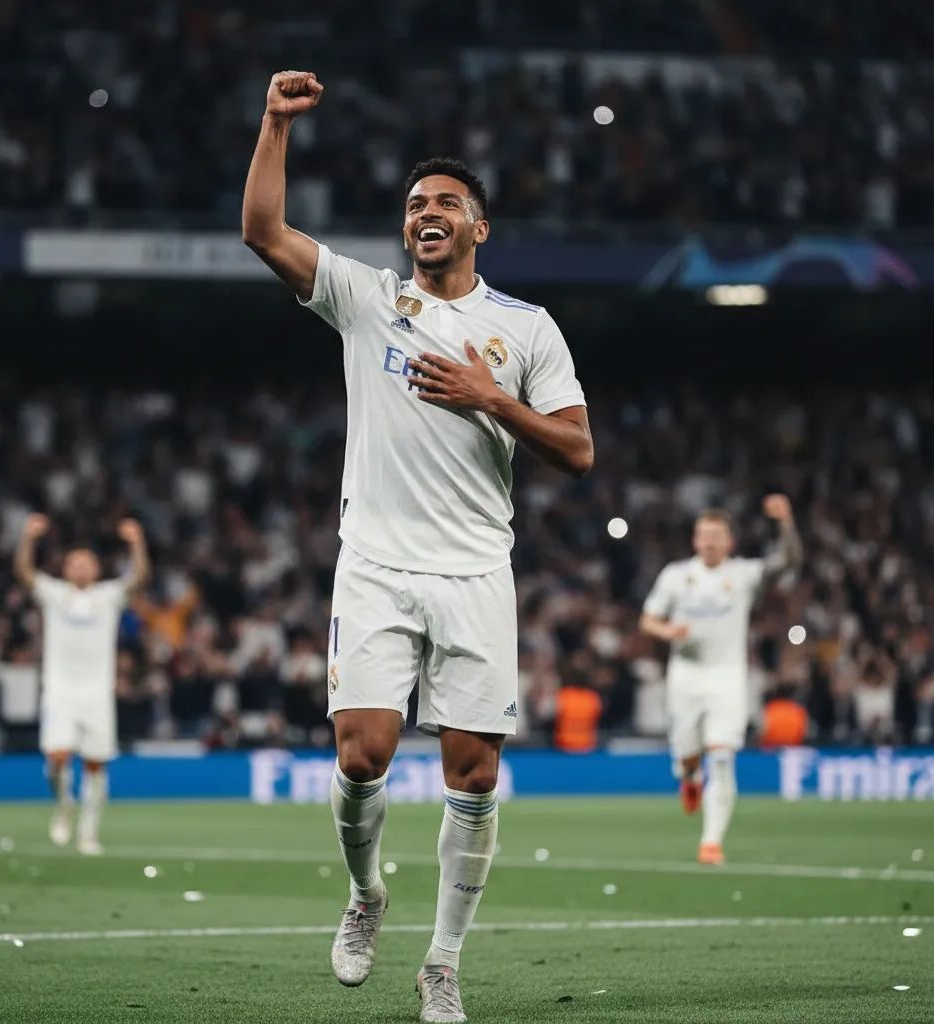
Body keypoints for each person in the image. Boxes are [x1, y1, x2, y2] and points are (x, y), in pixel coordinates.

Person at [242, 71, 593, 1023]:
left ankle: (441, 962)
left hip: (478, 570)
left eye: (445, 204)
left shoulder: (525, 329)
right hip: (378, 567)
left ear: (479, 227)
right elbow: (264, 234)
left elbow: (577, 449)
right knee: (362, 756)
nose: (425, 214)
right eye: (414, 207)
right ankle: (365, 897)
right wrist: (275, 124)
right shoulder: (366, 300)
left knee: (473, 776)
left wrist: (493, 401)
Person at [639, 496, 802, 866]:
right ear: (695, 541)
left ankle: (711, 843)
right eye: (703, 535)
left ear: (730, 542)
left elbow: (789, 560)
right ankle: (690, 777)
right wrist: (668, 631)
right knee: (687, 757)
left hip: (728, 677)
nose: (709, 542)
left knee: (724, 758)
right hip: (685, 677)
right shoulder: (676, 575)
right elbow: (647, 620)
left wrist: (786, 523)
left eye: (716, 536)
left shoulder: (743, 574)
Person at [14, 514, 150, 855]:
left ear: (96, 569)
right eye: (74, 562)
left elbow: (140, 578)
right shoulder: (54, 594)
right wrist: (28, 538)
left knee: (94, 763)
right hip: (59, 690)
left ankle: (89, 833)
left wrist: (136, 543)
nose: (80, 567)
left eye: (86, 562)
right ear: (65, 569)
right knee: (57, 757)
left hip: (96, 693)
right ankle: (63, 804)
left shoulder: (108, 596)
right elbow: (24, 573)